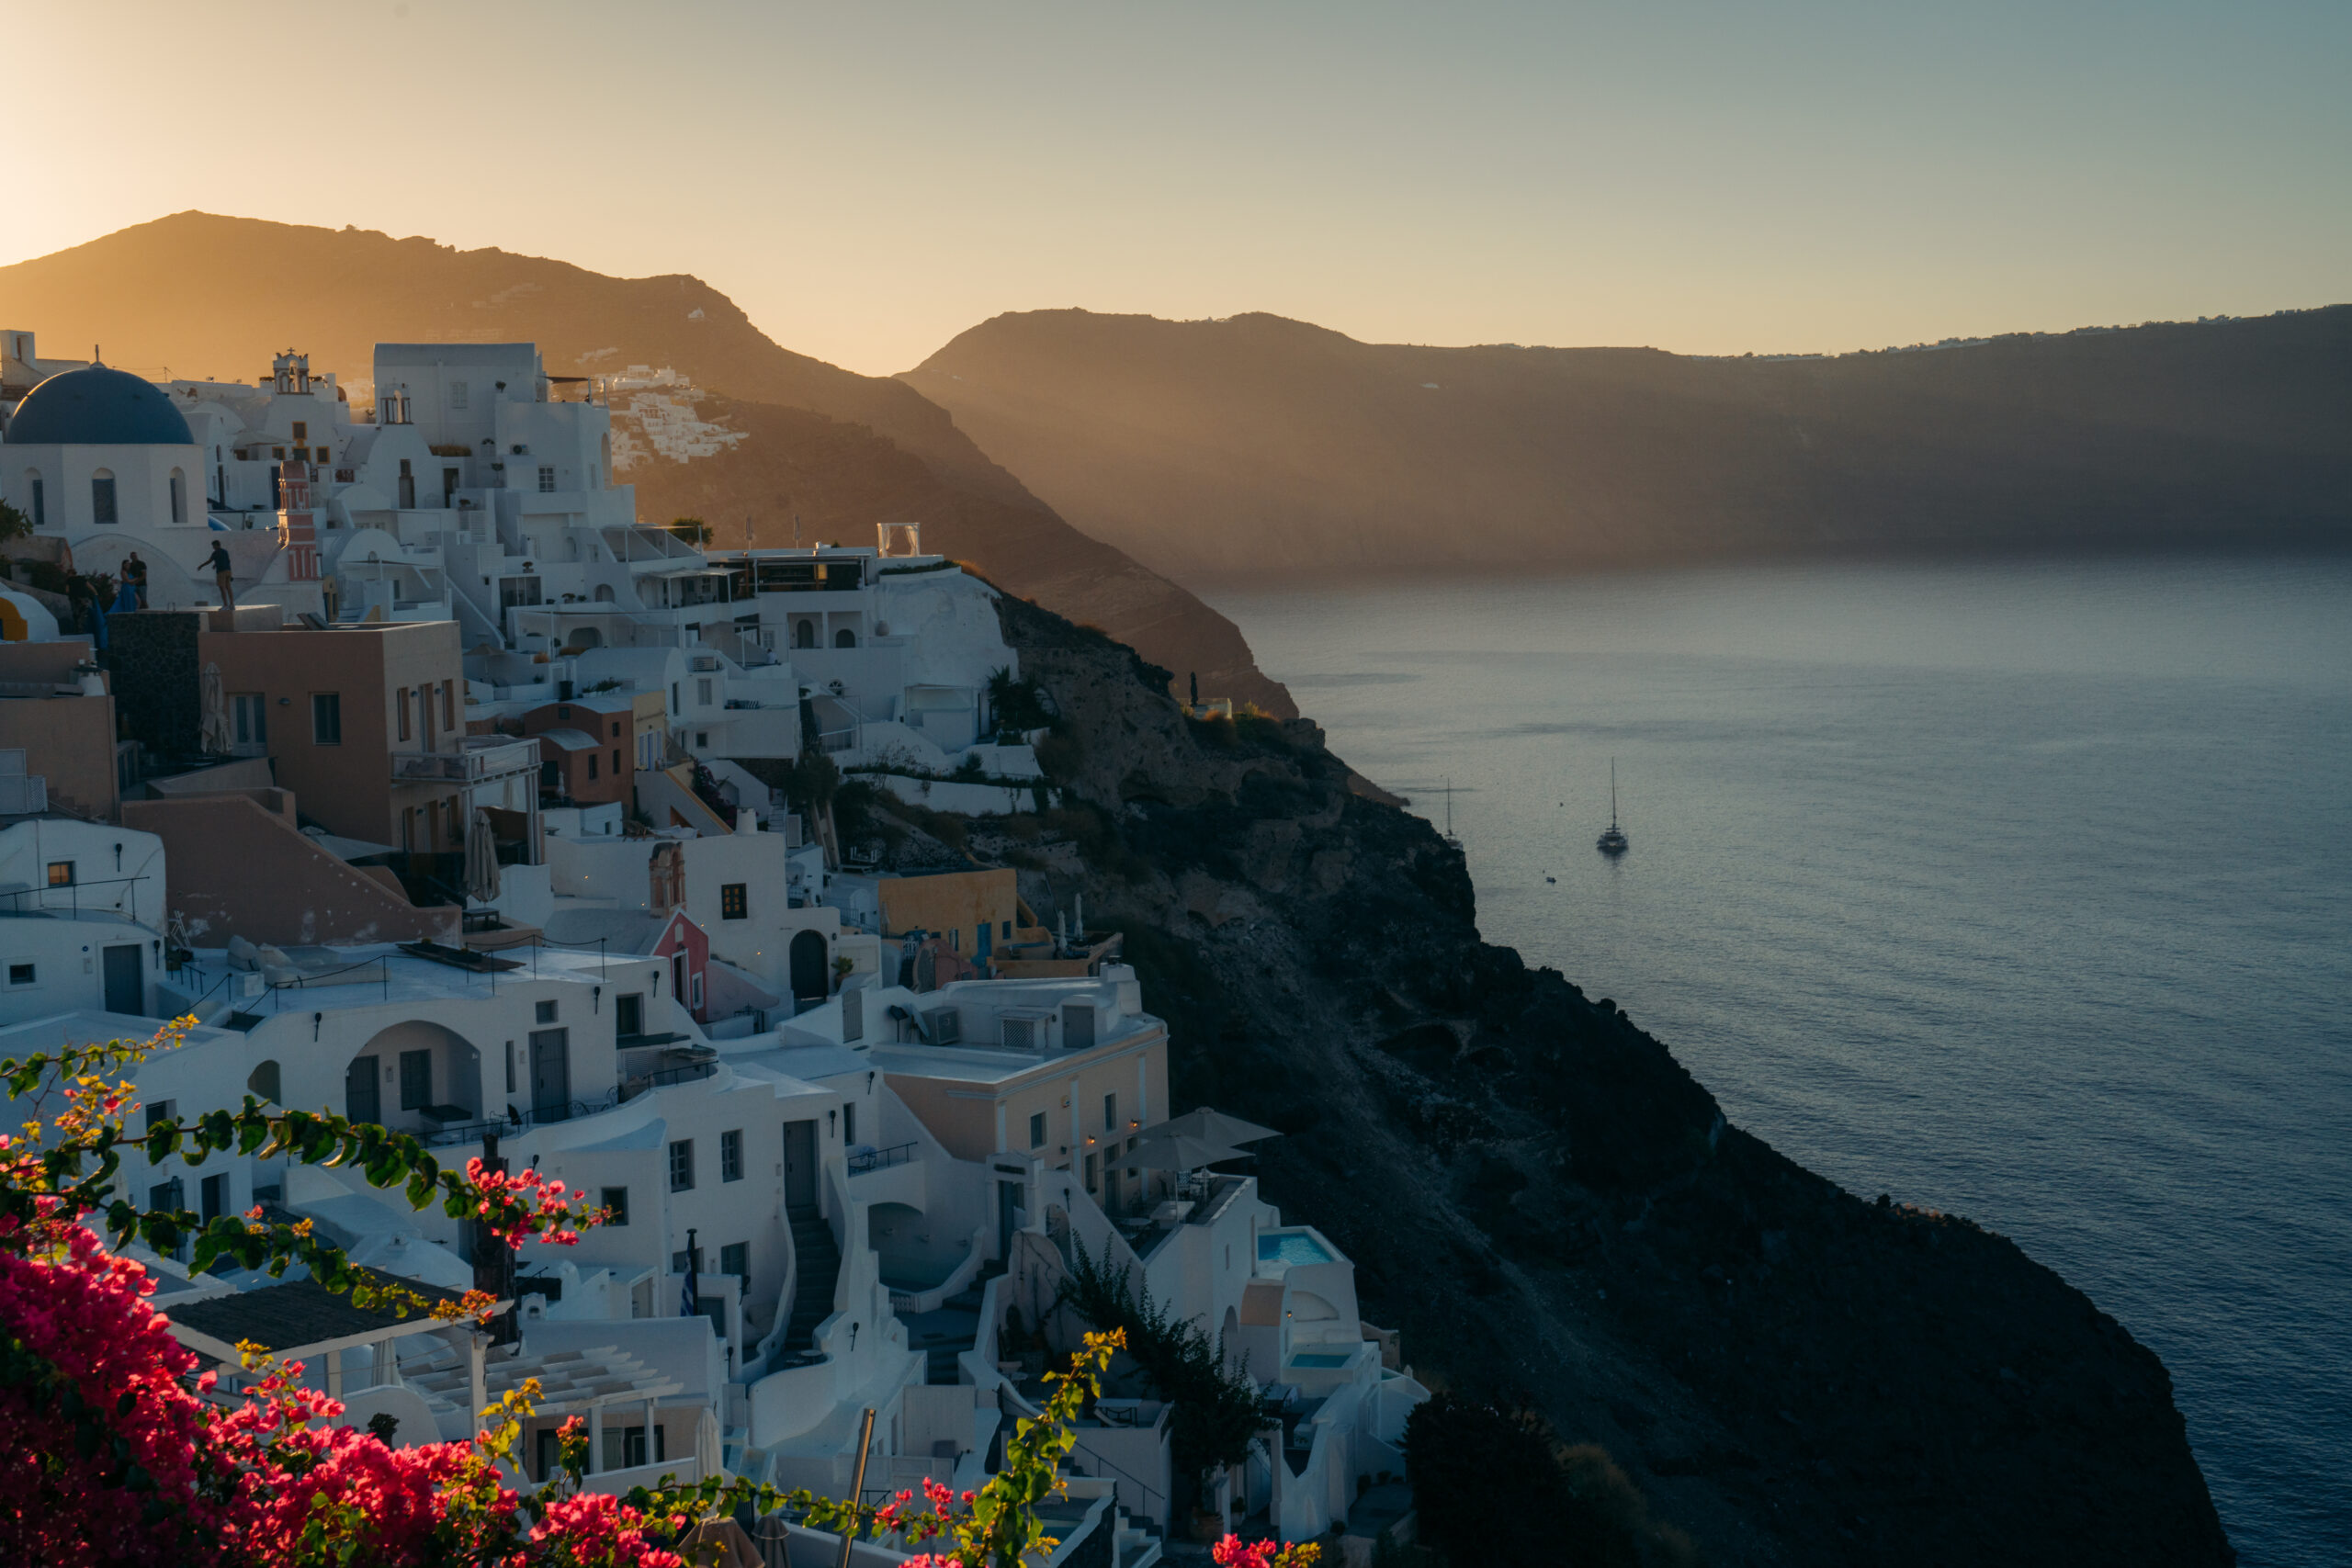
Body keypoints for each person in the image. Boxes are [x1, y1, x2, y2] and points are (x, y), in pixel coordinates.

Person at [196, 539, 233, 611]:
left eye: (213, 546)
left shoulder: (215, 553)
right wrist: (216, 564)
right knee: (228, 588)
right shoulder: (225, 551)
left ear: (216, 545)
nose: (213, 547)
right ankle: (231, 604)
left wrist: (201, 566)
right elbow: (227, 560)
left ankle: (225, 605)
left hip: (221, 572)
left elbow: (209, 561)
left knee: (222, 588)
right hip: (228, 571)